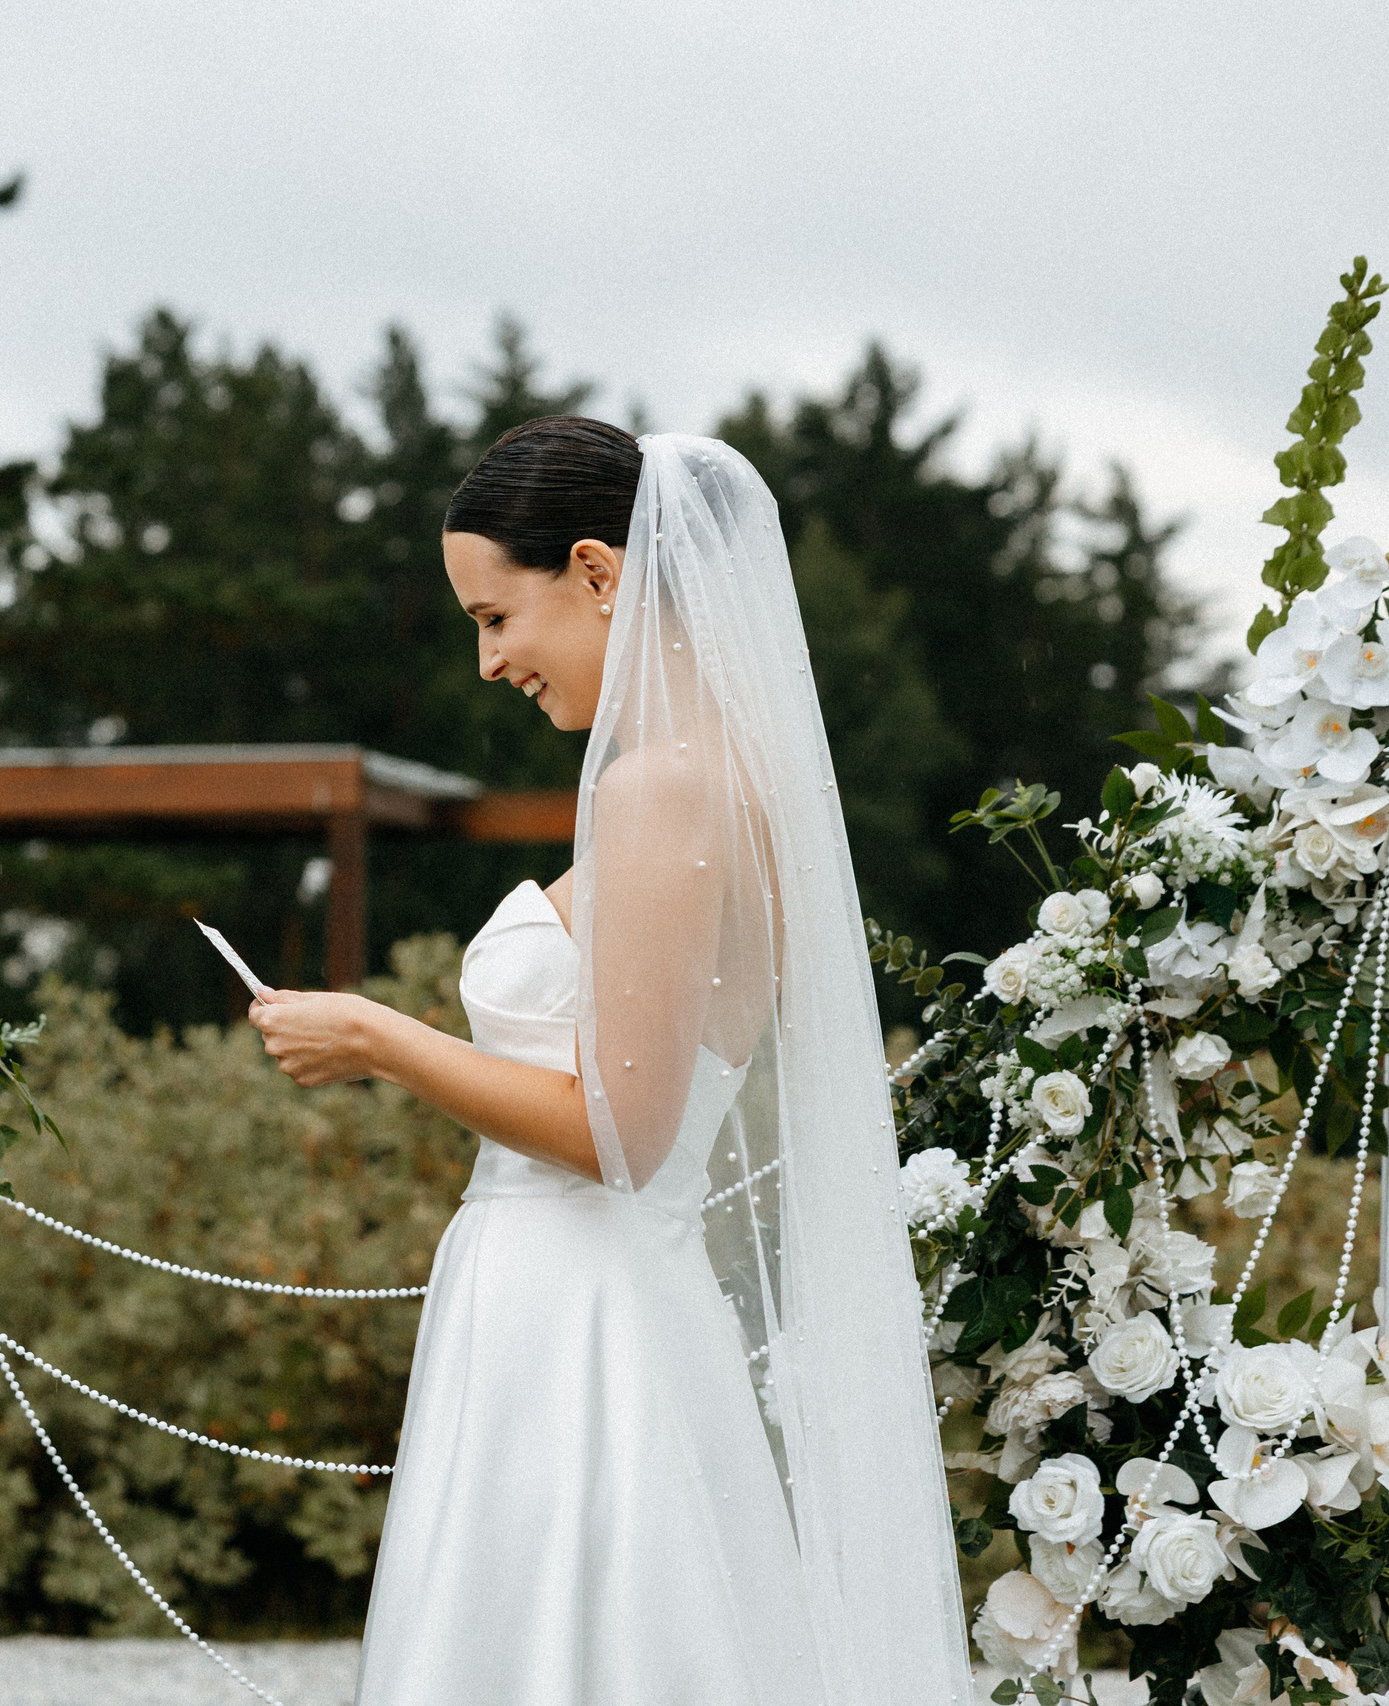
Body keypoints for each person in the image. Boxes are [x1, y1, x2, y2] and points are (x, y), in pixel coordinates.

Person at [246, 421, 970, 1703]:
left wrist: (377, 1036)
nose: (487, 662)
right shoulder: (729, 780)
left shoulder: (661, 791)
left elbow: (620, 1133)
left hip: (580, 1311)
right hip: (598, 1296)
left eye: (495, 615)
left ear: (594, 571)